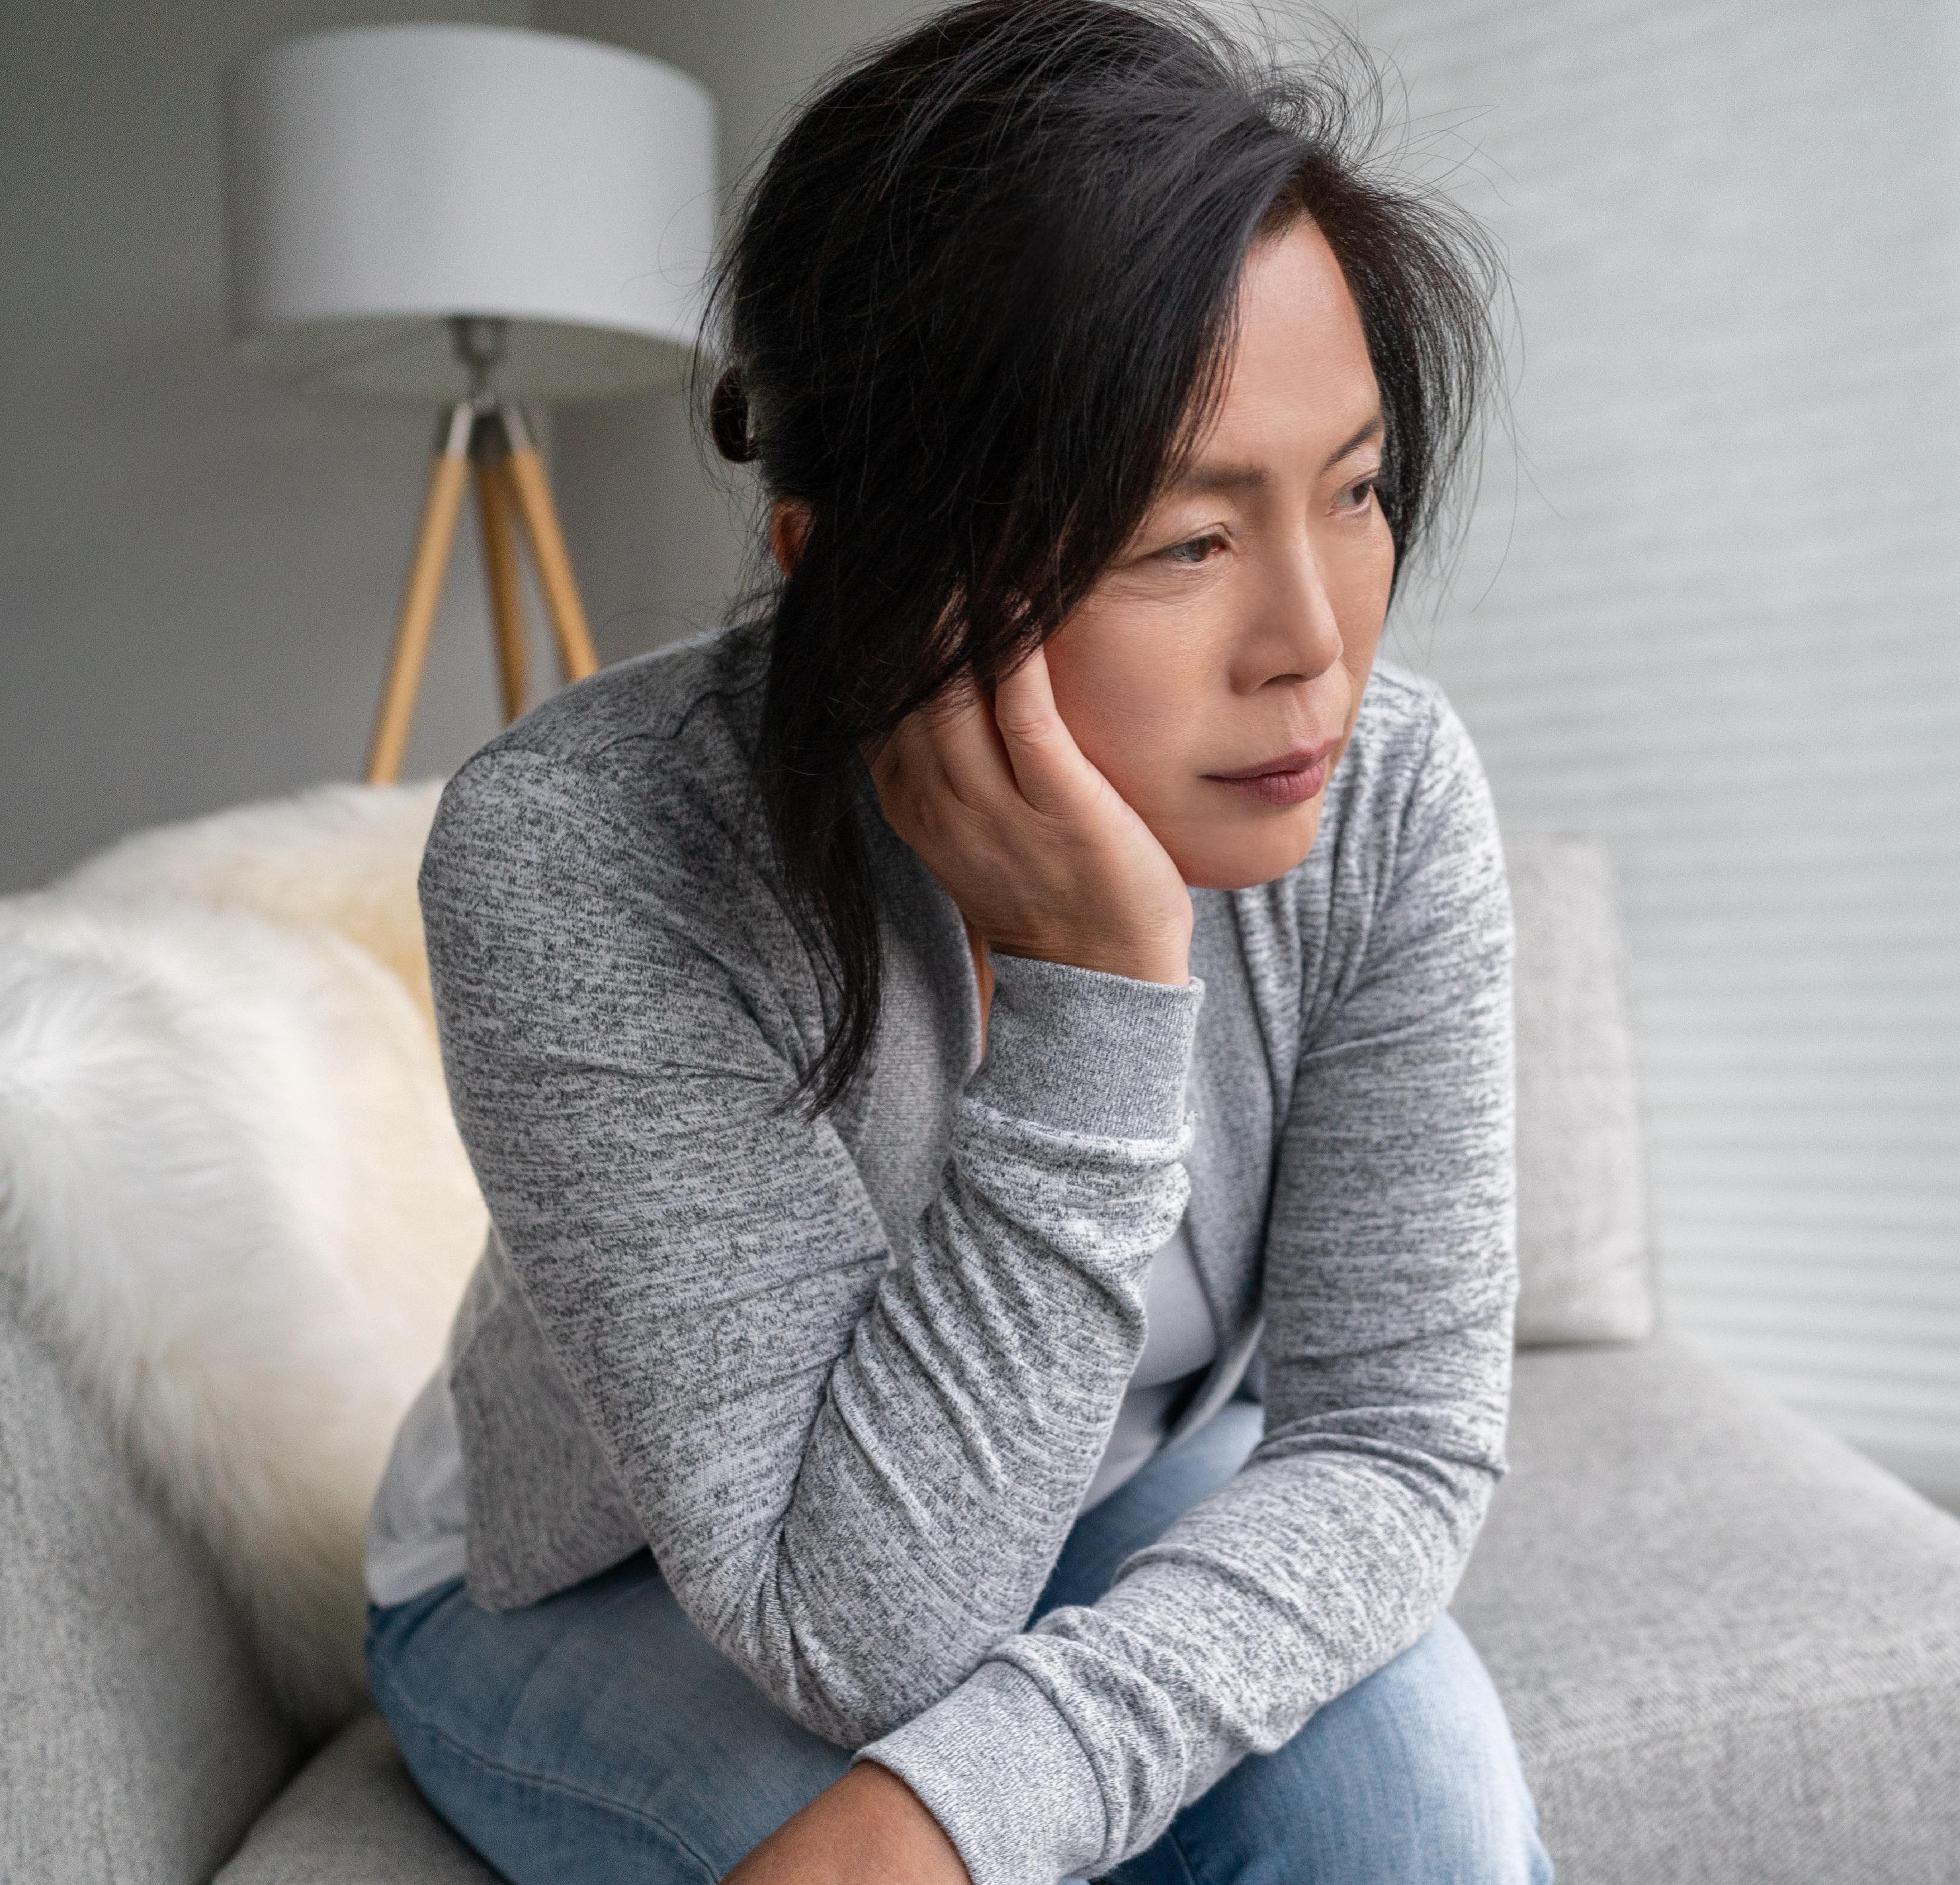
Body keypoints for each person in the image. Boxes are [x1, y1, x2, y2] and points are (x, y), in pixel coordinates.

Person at [358, 3, 1547, 1881]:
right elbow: (856, 1634)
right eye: (1184, 539)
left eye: (1358, 487)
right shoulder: (576, 853)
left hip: (1121, 1495)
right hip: (620, 1587)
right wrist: (1100, 994)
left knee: (1418, 1826)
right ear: (859, 564)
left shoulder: (1385, 789)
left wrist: (975, 1789)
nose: (1316, 641)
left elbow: (1393, 1440)